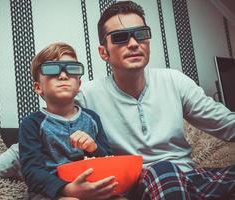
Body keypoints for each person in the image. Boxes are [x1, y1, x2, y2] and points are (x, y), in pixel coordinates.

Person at [75, 1, 235, 199]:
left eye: (141, 34)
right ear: (103, 52)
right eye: (120, 37)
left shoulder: (174, 80)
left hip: (189, 178)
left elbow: (227, 124)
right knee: (163, 170)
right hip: (136, 185)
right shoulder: (87, 95)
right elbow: (49, 132)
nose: (134, 43)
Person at [18, 42, 121, 200]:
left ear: (79, 84)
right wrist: (66, 189)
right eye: (52, 70)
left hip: (92, 187)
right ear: (38, 87)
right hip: (50, 194)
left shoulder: (92, 118)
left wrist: (93, 148)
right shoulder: (31, 124)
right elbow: (32, 171)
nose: (63, 75)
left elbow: (108, 160)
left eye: (71, 69)